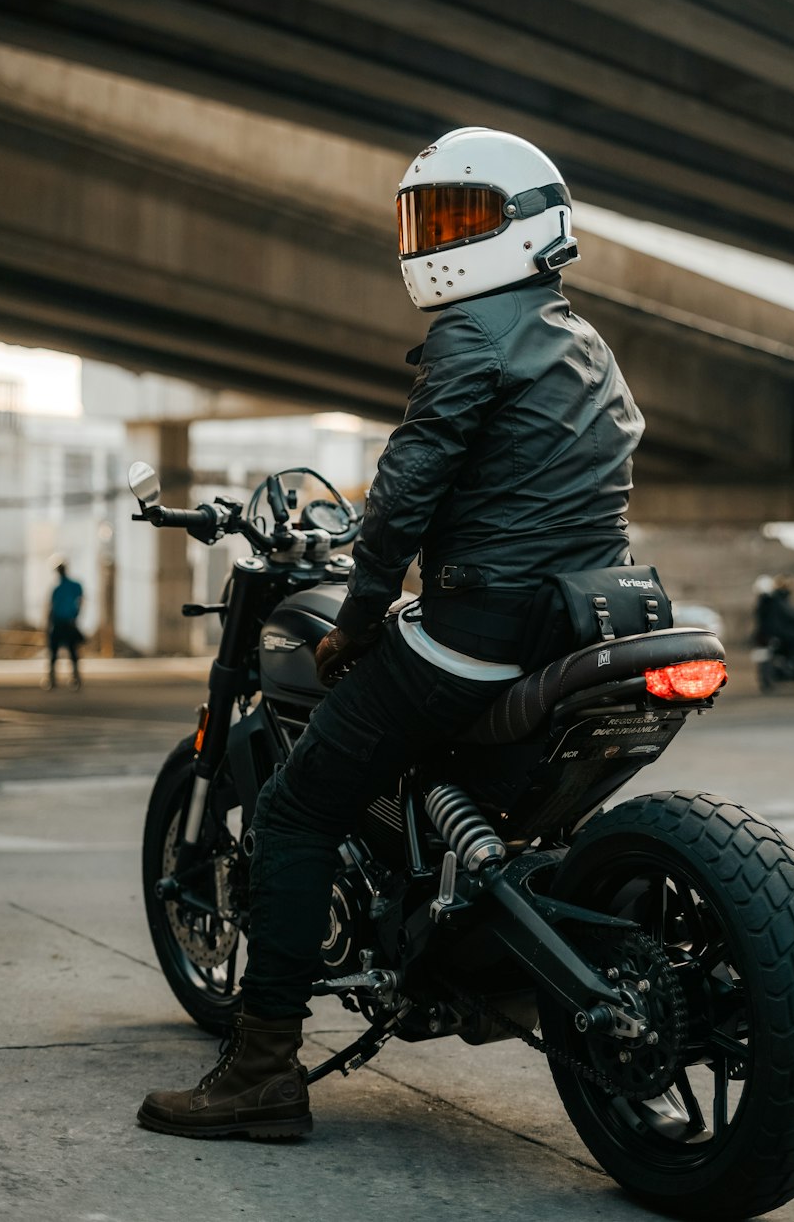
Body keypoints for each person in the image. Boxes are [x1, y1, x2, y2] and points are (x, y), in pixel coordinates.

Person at [137, 126, 646, 1141]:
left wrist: (360, 619)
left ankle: (262, 1073)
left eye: (460, 216)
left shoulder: (472, 334)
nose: (437, 241)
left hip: (486, 625)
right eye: (429, 218)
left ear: (526, 224)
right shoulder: (574, 335)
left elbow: (409, 488)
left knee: (290, 811)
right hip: (598, 611)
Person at [46, 559, 84, 690]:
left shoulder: (58, 589)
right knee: (71, 652)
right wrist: (76, 615)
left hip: (60, 623)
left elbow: (52, 608)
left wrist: (48, 625)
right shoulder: (74, 586)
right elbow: (80, 602)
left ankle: (53, 680)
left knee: (55, 653)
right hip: (68, 623)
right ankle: (75, 678)